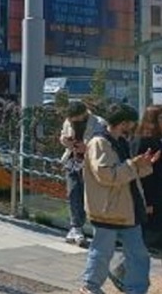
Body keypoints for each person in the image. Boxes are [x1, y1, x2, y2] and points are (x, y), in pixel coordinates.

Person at [80, 104, 158, 294]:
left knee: (138, 254)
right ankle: (90, 286)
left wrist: (144, 166)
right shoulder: (100, 143)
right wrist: (134, 164)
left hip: (126, 208)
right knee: (102, 252)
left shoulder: (119, 141)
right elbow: (106, 175)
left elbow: (126, 172)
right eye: (131, 122)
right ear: (123, 122)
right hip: (108, 209)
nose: (133, 126)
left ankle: (136, 289)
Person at [60, 101, 108, 245]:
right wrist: (66, 142)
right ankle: (76, 227)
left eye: (76, 119)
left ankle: (97, 230)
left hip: (90, 164)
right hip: (72, 160)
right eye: (71, 120)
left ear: (83, 114)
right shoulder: (68, 121)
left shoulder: (99, 123)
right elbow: (63, 136)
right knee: (73, 193)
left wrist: (86, 148)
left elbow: (103, 145)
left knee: (91, 197)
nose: (73, 122)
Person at [131, 105, 162, 250]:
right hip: (151, 196)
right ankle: (121, 269)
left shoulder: (156, 139)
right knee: (146, 242)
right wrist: (147, 201)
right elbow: (141, 175)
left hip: (156, 195)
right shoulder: (144, 141)